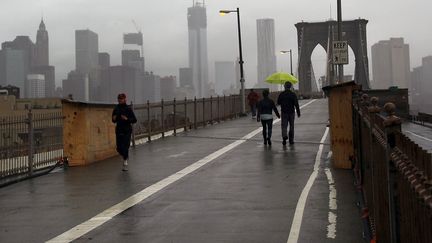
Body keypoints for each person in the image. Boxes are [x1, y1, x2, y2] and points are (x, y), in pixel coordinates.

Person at [112, 93, 137, 171]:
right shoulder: (116, 108)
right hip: (119, 129)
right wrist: (114, 118)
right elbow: (113, 120)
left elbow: (134, 120)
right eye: (119, 99)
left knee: (126, 146)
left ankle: (125, 161)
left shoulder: (128, 109)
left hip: (127, 130)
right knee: (119, 148)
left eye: (121, 99)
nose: (120, 100)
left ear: (125, 99)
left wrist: (127, 119)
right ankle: (125, 156)